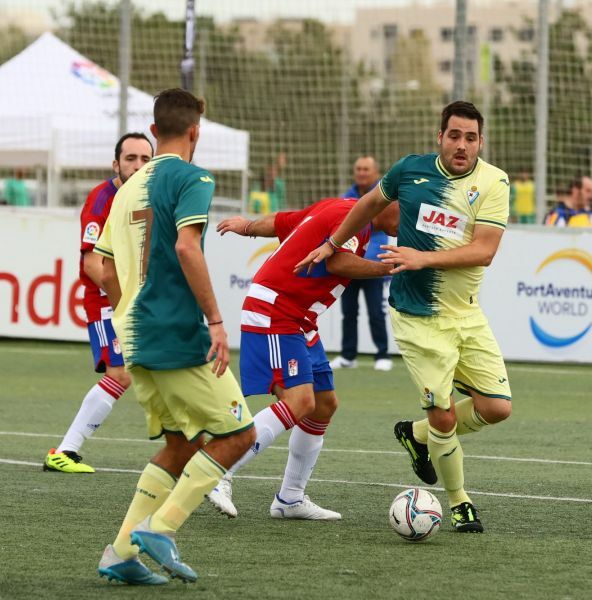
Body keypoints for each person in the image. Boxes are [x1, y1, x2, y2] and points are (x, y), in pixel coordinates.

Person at [294, 101, 513, 534]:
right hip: (417, 318)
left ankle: (415, 435)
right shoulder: (410, 171)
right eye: (454, 135)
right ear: (440, 137)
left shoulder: (494, 182)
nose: (462, 145)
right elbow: (368, 204)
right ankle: (460, 502)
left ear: (480, 142)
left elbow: (484, 251)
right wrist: (333, 243)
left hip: (466, 314)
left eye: (471, 137)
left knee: (497, 408)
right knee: (445, 415)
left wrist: (420, 257)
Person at [93, 88, 256, 586]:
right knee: (238, 435)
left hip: (135, 338)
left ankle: (119, 553)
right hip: (176, 334)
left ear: (154, 129)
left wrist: (131, 312)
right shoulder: (193, 177)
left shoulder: (127, 187)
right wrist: (215, 320)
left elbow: (103, 268)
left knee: (179, 444)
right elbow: (188, 247)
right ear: (194, 132)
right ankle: (161, 528)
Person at [207, 198, 399, 519]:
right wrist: (389, 268)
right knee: (299, 401)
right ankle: (217, 467)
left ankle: (290, 499)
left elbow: (285, 221)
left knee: (323, 404)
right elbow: (337, 262)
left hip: (299, 319)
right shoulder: (355, 222)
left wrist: (248, 227)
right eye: (408, 210)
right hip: (277, 309)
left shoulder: (341, 208)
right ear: (389, 200)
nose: (408, 222)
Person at [43, 132, 154, 474]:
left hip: (135, 299)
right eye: (130, 158)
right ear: (116, 163)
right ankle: (65, 451)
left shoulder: (150, 197)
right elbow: (93, 265)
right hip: (108, 300)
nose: (137, 165)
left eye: (145, 159)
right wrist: (124, 303)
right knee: (119, 374)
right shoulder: (102, 198)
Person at [330, 156, 393, 372]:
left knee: (376, 312)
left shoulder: (383, 194)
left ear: (375, 172)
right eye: (358, 169)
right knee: (349, 312)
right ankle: (348, 355)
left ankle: (382, 354)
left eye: (366, 169)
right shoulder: (348, 195)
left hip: (373, 266)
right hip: (349, 265)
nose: (362, 173)